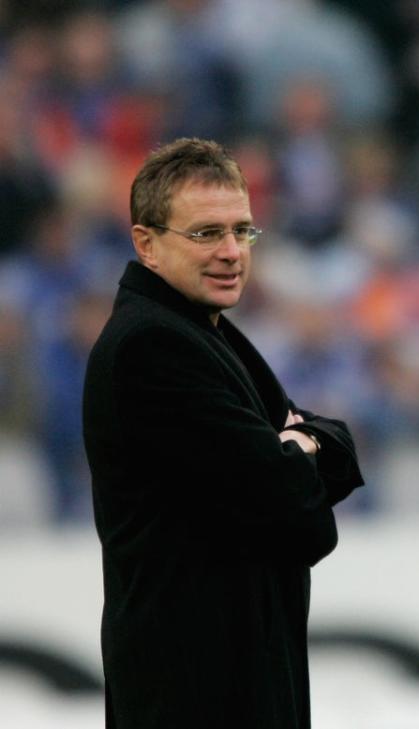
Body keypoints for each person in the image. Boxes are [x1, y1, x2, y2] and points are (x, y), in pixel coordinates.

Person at [82, 138, 364, 729]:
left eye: (243, 230)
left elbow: (335, 449)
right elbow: (298, 511)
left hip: (229, 678)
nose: (232, 252)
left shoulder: (203, 330)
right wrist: (298, 446)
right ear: (146, 243)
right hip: (196, 691)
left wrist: (300, 444)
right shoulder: (152, 346)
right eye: (207, 233)